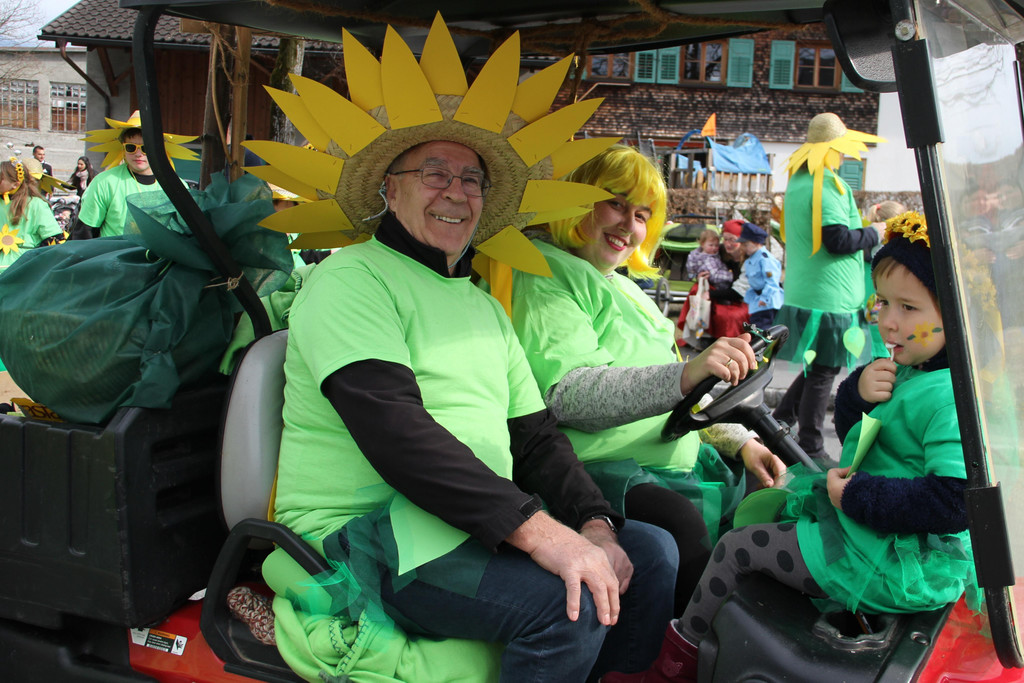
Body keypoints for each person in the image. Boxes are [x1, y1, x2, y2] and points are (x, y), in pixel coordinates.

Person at [267, 19, 677, 681]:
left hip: (453, 523)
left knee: (652, 553)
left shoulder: (480, 304)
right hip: (372, 535)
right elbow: (398, 435)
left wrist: (594, 522)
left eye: (472, 180)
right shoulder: (351, 279)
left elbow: (536, 437)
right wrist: (540, 531)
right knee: (568, 604)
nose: (457, 192)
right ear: (389, 188)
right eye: (435, 173)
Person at [602, 211, 977, 683]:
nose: (888, 321)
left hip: (889, 557)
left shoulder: (948, 397)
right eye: (883, 302)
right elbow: (862, 433)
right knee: (771, 509)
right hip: (876, 534)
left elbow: (954, 501)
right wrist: (858, 393)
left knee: (736, 547)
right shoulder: (910, 370)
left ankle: (672, 668)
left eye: (908, 308)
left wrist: (857, 495)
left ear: (955, 315)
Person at [510, 145, 786, 612]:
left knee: (773, 496)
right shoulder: (543, 274)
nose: (628, 225)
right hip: (599, 470)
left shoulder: (625, 288)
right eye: (615, 203)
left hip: (670, 465)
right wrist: (687, 372)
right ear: (577, 202)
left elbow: (688, 394)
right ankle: (688, 642)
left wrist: (742, 441)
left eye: (641, 214)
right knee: (680, 523)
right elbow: (568, 394)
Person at [772, 113, 886, 460]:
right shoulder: (827, 185)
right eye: (841, 150)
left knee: (817, 367)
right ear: (833, 149)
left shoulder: (799, 182)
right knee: (824, 371)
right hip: (830, 298)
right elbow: (837, 240)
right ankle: (811, 444)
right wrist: (875, 232)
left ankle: (779, 420)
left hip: (808, 293)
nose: (843, 157)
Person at [75, 111, 197, 239]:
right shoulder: (104, 183)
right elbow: (84, 234)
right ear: (123, 149)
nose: (138, 154)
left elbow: (186, 234)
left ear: (158, 149)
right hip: (115, 251)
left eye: (146, 148)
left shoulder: (177, 187)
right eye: (131, 147)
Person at [0, 157, 62, 272]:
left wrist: (35, 262)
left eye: (0, 179)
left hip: (24, 269)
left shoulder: (36, 204)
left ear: (15, 184)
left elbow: (53, 239)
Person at [737, 222, 783, 329]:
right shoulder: (753, 259)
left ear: (756, 243)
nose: (743, 248)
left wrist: (765, 298)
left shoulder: (765, 259)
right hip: (757, 301)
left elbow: (772, 282)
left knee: (764, 330)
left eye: (746, 245)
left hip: (767, 303)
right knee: (756, 328)